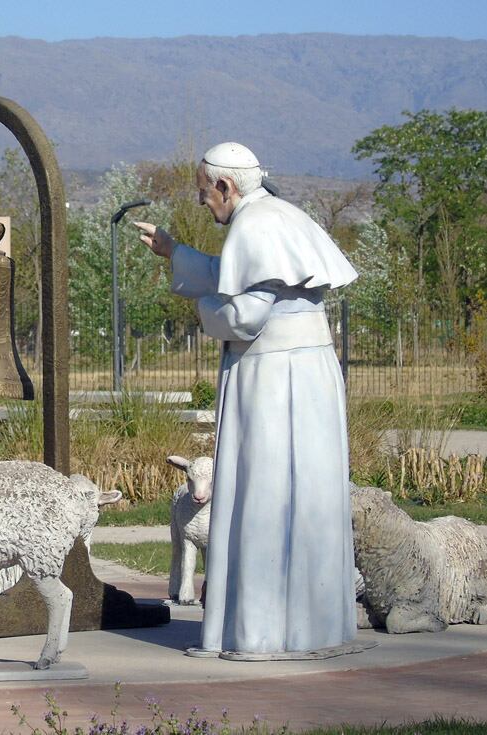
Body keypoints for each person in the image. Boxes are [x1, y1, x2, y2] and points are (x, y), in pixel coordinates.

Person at [134, 142, 359, 658]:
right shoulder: (280, 215)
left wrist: (201, 312)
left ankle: (261, 632)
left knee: (265, 493)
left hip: (274, 378)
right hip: (310, 373)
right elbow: (239, 273)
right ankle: (314, 626)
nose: (202, 203)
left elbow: (246, 313)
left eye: (203, 194)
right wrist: (174, 253)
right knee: (306, 498)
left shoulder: (253, 227)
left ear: (225, 186)